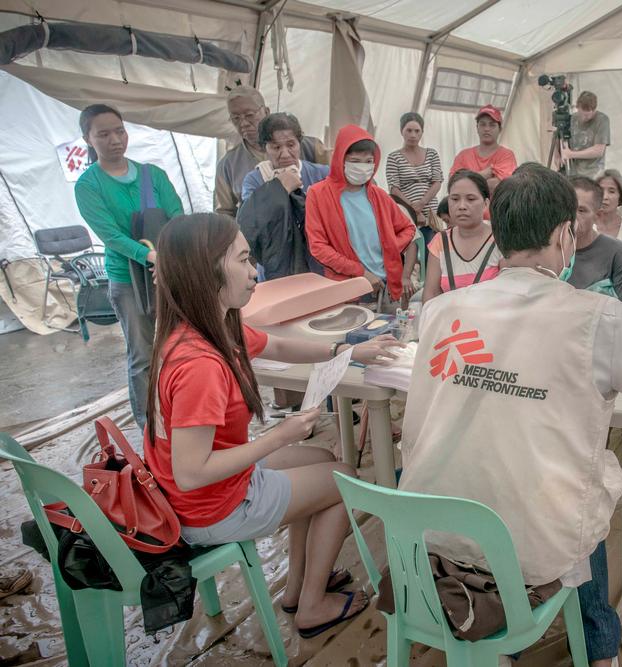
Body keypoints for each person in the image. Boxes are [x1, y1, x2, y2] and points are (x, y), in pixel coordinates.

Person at [397, 163, 622, 666]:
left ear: (497, 231)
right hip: (533, 547)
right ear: (563, 234)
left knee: (524, 472)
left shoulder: (443, 310)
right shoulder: (597, 319)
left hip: (427, 534)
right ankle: (598, 649)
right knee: (581, 488)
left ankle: (503, 637)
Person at [144, 213, 404, 637]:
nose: (254, 273)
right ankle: (312, 605)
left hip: (208, 492)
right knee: (345, 479)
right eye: (244, 260)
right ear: (207, 269)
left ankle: (299, 587)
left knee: (320, 458)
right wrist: (277, 437)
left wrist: (348, 350)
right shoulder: (200, 365)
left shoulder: (207, 327)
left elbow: (278, 343)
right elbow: (190, 473)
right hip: (208, 508)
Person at [74, 104, 184, 430]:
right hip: (128, 281)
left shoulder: (153, 175)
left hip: (169, 273)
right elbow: (111, 236)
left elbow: (177, 218)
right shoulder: (88, 186)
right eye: (103, 134)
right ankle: (150, 427)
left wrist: (171, 258)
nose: (114, 140)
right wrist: (152, 258)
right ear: (88, 139)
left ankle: (184, 417)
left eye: (119, 131)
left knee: (181, 346)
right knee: (143, 356)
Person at [305, 125, 417, 309]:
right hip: (346, 291)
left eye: (368, 161)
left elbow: (408, 228)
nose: (362, 167)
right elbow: (318, 247)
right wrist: (360, 272)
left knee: (387, 335)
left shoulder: (379, 196)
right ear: (340, 159)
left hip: (385, 288)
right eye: (355, 160)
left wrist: (389, 247)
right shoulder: (318, 194)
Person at [237, 112, 329, 280]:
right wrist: (278, 188)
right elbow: (251, 225)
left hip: (320, 268)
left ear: (300, 143)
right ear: (264, 147)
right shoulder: (256, 180)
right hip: (275, 274)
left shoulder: (322, 174)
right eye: (276, 147)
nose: (285, 154)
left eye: (291, 145)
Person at [214, 86, 330, 217]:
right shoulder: (228, 165)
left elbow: (340, 175)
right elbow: (224, 213)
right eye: (236, 118)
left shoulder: (311, 147)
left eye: (249, 115)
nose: (243, 123)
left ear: (266, 112)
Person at [422, 170, 503, 303]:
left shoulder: (500, 239)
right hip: (450, 321)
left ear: (486, 204)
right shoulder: (440, 241)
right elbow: (431, 294)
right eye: (454, 199)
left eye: (471, 199)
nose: (462, 206)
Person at [567, 176, 622, 311]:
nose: (572, 216)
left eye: (581, 210)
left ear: (597, 215)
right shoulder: (548, 247)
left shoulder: (616, 252)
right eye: (568, 208)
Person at [385, 112, 443, 250]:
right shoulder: (394, 157)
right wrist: (414, 211)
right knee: (411, 251)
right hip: (407, 214)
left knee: (433, 250)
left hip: (431, 214)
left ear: (422, 132)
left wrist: (422, 204)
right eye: (409, 130)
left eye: (417, 131)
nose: (413, 135)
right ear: (401, 131)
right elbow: (394, 189)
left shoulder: (432, 153)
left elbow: (437, 182)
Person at [450, 105, 518, 196]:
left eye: (492, 125)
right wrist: (489, 172)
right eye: (483, 124)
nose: (487, 129)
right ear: (477, 128)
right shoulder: (463, 155)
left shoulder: (507, 155)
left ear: (500, 129)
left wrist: (466, 180)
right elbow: (453, 186)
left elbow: (500, 187)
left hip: (495, 210)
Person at [561, 91, 611, 179]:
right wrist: (557, 155)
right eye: (582, 114)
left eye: (588, 115)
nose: (585, 118)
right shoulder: (572, 118)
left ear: (594, 110)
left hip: (593, 173)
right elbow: (559, 135)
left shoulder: (602, 120)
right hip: (573, 172)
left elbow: (598, 151)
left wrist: (571, 154)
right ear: (577, 108)